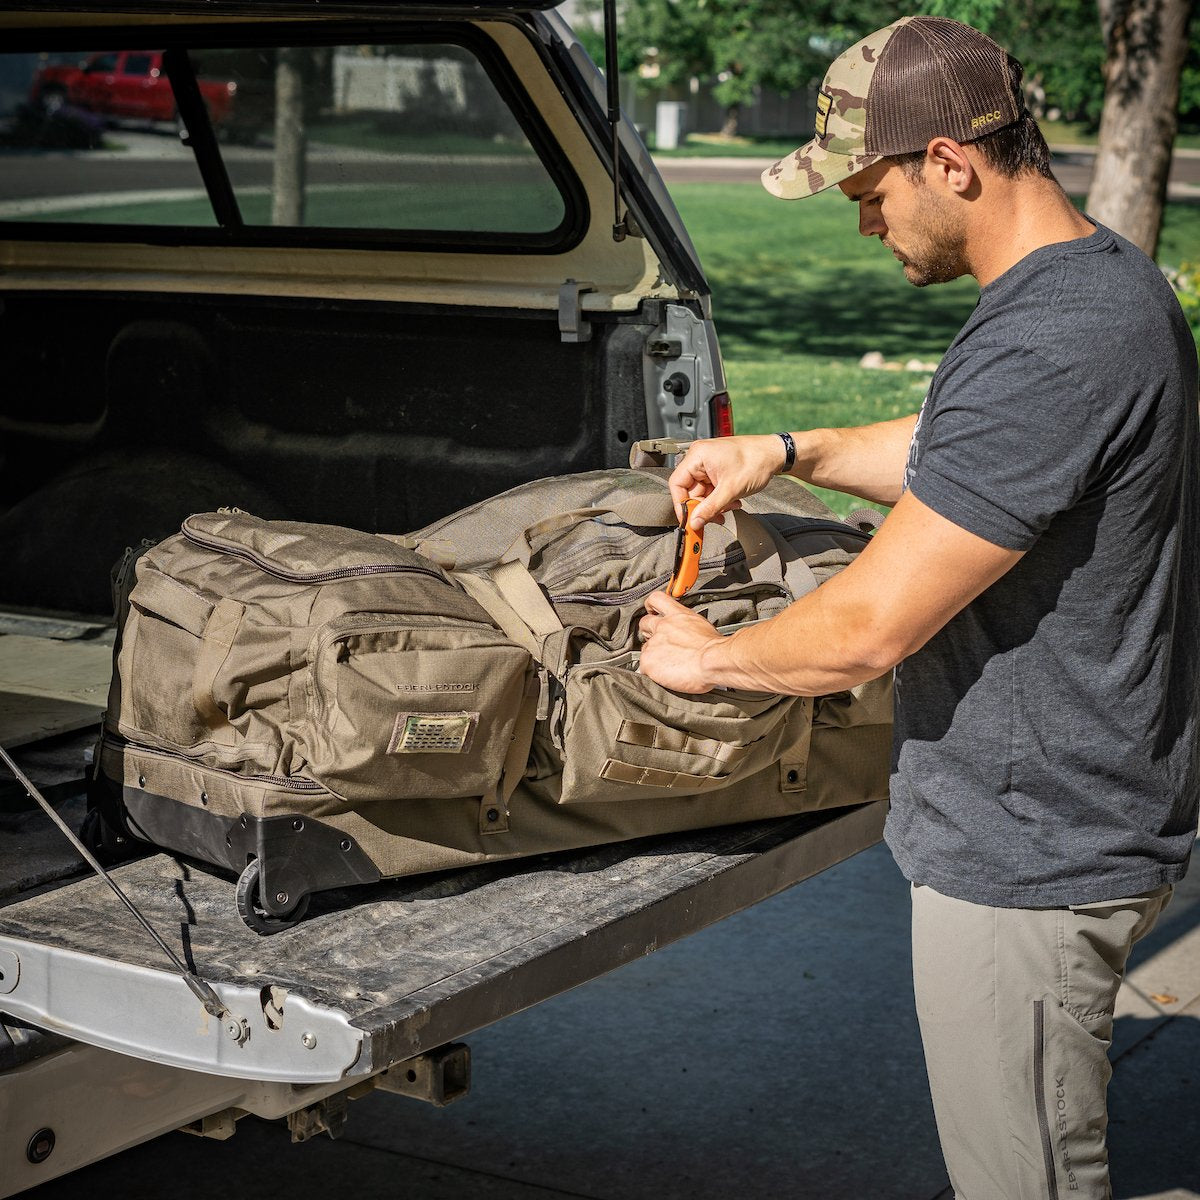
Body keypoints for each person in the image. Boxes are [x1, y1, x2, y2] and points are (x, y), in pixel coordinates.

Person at [636, 15, 1199, 1199]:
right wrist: (787, 450)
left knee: (1025, 1181)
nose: (863, 222)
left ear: (948, 161)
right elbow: (972, 451)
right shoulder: (1095, 282)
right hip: (1067, 817)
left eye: (869, 192)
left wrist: (711, 658)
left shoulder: (1057, 338)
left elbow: (870, 627)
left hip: (1033, 855)